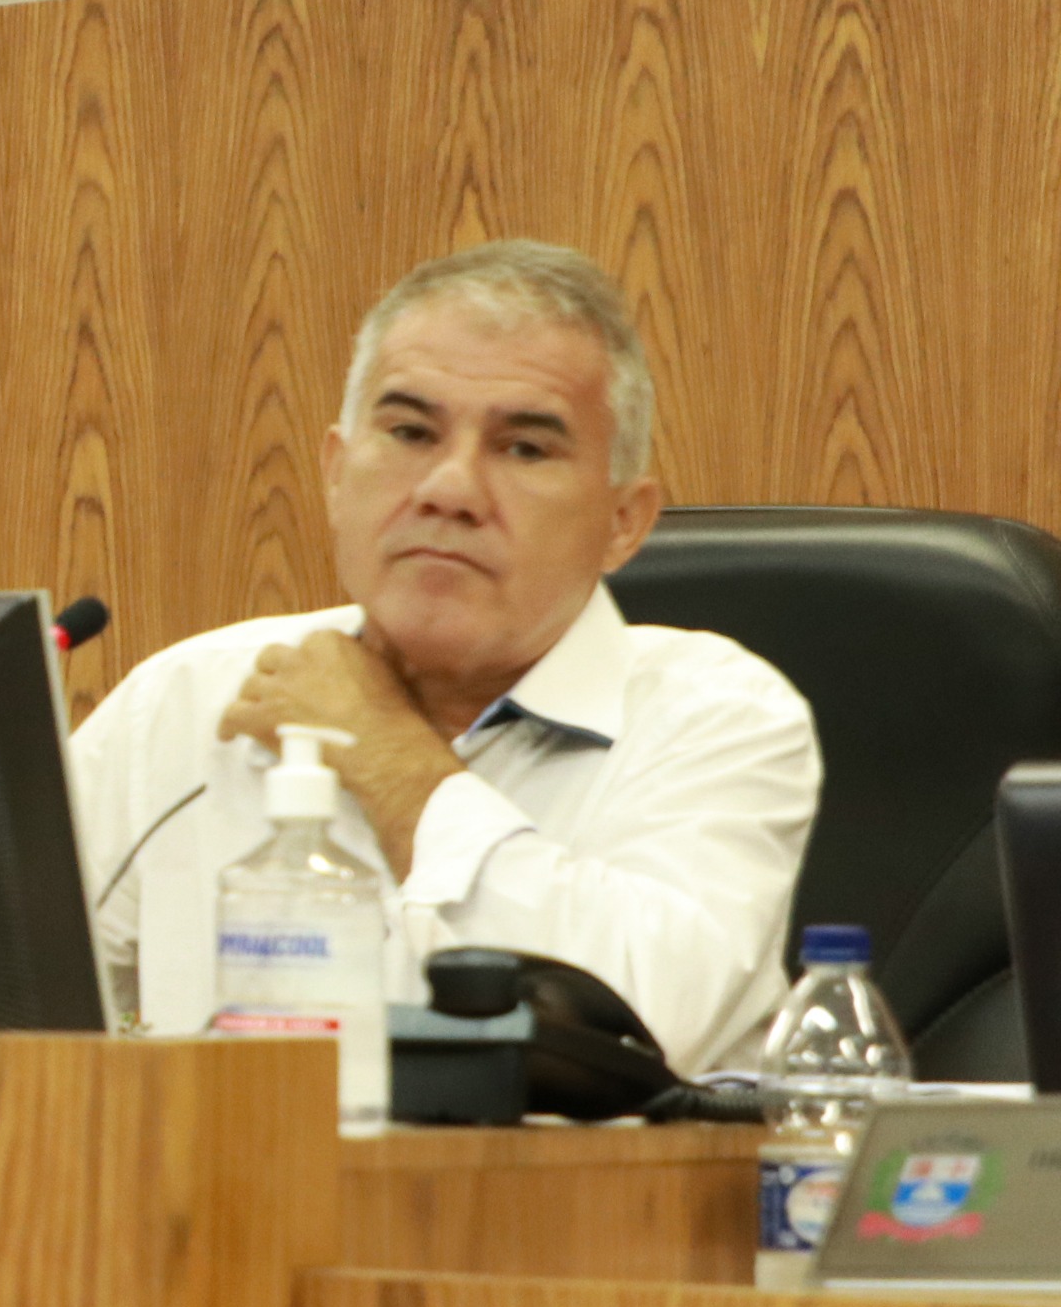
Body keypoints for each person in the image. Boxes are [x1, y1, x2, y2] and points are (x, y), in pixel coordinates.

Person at [69, 240, 819, 1074]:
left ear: (623, 522)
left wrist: (384, 748)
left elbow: (639, 1023)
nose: (449, 489)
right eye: (410, 432)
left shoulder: (719, 719)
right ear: (335, 472)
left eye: (524, 448)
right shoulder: (185, 703)